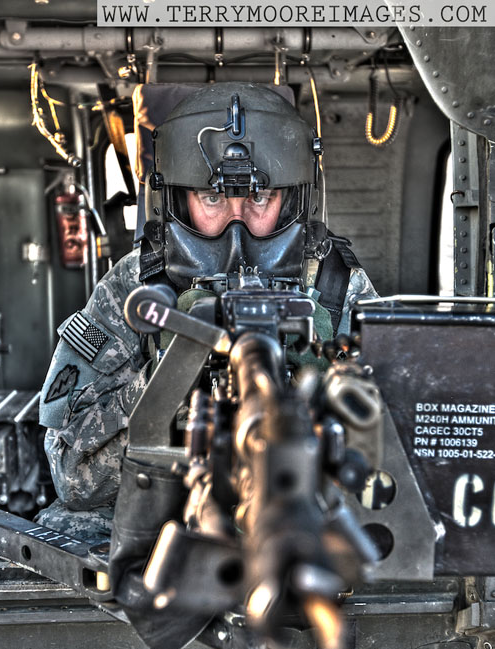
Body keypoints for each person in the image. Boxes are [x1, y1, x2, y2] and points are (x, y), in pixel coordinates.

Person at [37, 82, 376, 544]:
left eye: (260, 198)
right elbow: (70, 476)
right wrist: (168, 380)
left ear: (293, 196)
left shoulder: (336, 283)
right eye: (212, 199)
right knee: (65, 530)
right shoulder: (138, 284)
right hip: (168, 509)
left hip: (296, 505)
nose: (238, 224)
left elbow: (389, 447)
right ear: (178, 198)